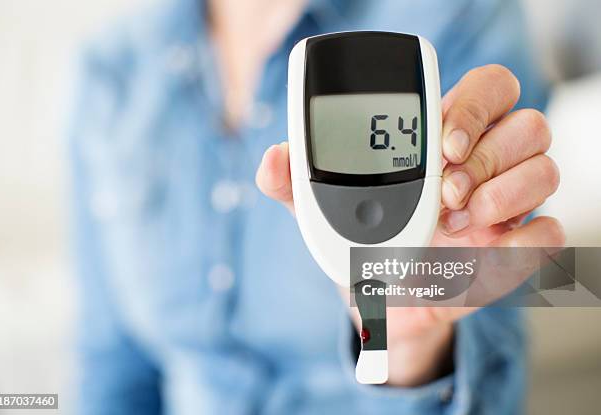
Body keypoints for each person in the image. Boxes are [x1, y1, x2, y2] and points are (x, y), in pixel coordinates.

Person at [69, 0, 564, 413]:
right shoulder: (113, 70)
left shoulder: (455, 18)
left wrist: (406, 343)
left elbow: (492, 367)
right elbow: (113, 368)